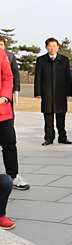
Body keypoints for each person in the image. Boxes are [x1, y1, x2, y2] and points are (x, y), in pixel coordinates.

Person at [34, 38, 72, 146]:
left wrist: (68, 91)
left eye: (54, 46)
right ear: (46, 47)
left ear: (58, 47)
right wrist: (38, 92)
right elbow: (38, 77)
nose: (52, 48)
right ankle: (49, 138)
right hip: (47, 92)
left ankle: (62, 137)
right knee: (48, 117)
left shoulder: (64, 60)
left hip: (60, 92)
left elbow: (68, 77)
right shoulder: (41, 60)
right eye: (50, 46)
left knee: (61, 117)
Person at [0, 49, 26, 202]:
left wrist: (4, 96)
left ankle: (13, 176)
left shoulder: (1, 54)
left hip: (3, 109)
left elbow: (8, 76)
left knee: (9, 143)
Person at [0, 36, 20, 116]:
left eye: (1, 44)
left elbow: (15, 73)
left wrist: (16, 89)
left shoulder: (10, 56)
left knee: (9, 112)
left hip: (7, 89)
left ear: (4, 45)